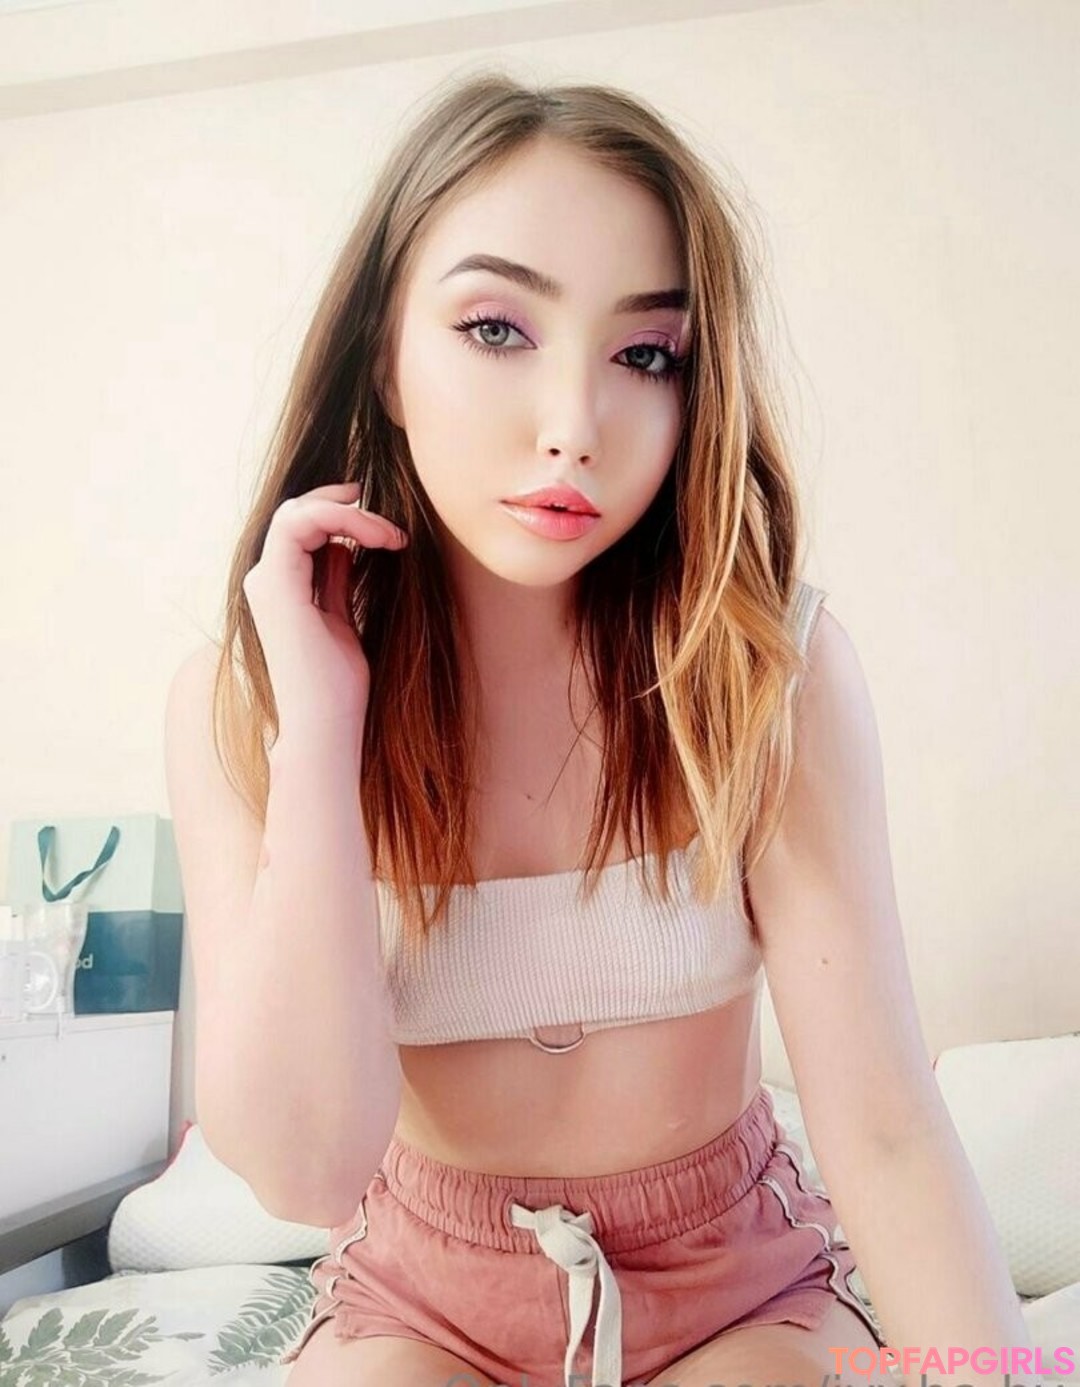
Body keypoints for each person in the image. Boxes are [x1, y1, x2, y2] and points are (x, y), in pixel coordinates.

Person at [164, 70, 1032, 1387]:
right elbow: (305, 1168)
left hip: (737, 1285)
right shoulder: (246, 699)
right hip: (422, 1297)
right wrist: (322, 728)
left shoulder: (760, 671)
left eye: (644, 355)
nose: (574, 428)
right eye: (496, 329)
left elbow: (886, 1130)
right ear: (383, 356)